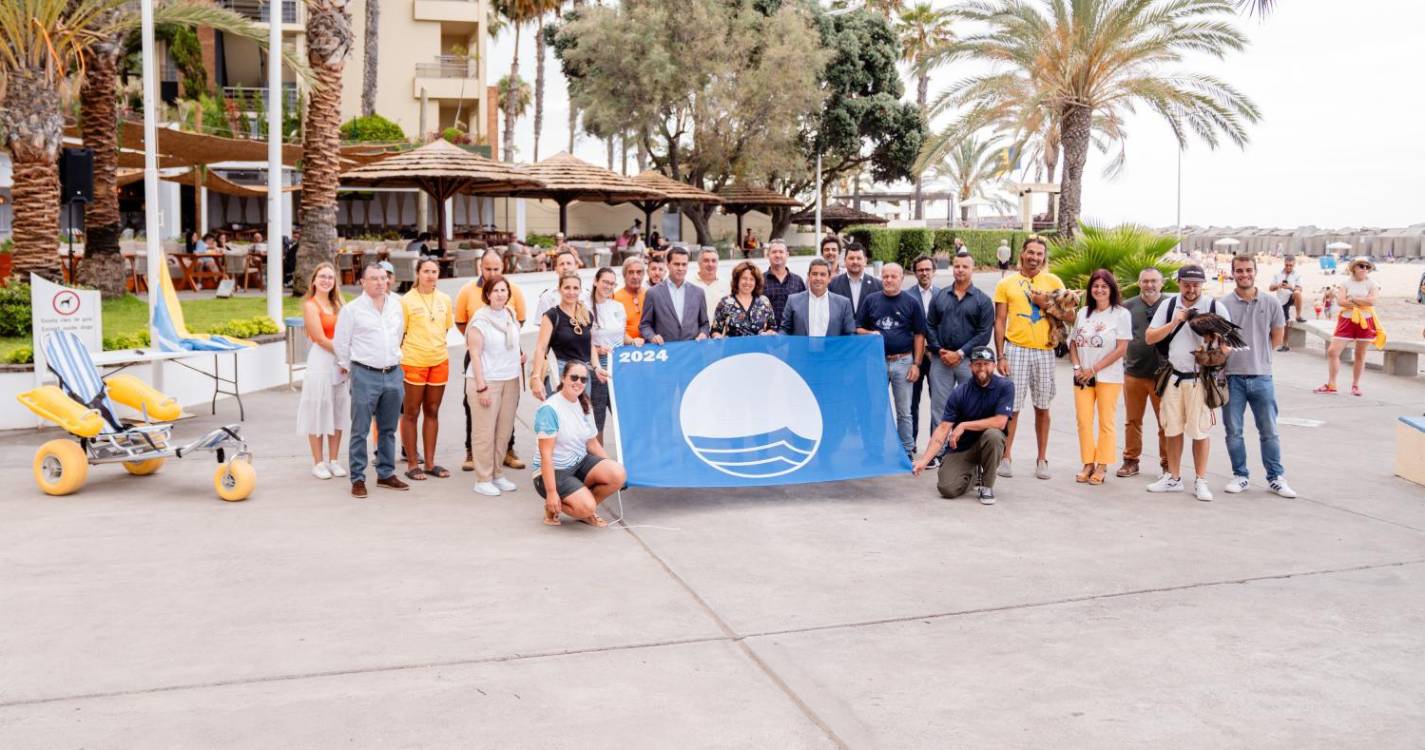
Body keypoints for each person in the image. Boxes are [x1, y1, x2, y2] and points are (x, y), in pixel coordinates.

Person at [1145, 264, 1228, 502]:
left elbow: (1228, 344)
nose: (1191, 289)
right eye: (1186, 284)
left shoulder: (1214, 306)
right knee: (1172, 429)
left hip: (1201, 379)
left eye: (1196, 284)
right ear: (1179, 283)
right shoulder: (1168, 305)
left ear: (1202, 284)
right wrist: (1174, 322)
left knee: (1200, 431)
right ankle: (1173, 477)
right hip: (1173, 377)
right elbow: (1150, 337)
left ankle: (1201, 480)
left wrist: (1214, 352)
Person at [1220, 254, 1297, 498]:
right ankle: (1240, 475)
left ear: (1256, 271)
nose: (1244, 274)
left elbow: (1277, 336)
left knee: (1269, 430)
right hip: (1232, 377)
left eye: (1248, 270)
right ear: (1233, 273)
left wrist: (1259, 356)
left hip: (1262, 376)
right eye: (1239, 270)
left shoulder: (1271, 303)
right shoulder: (1223, 305)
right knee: (1234, 432)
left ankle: (1275, 477)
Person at [992, 236, 1065, 480]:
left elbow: (1068, 314)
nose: (1034, 257)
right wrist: (1000, 355)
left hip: (1044, 350)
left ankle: (1042, 459)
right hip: (1016, 350)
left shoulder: (1053, 281)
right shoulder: (1007, 283)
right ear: (1022, 253)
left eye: (1039, 254)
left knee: (1043, 407)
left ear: (1044, 257)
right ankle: (1006, 456)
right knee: (1012, 408)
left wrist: (1046, 304)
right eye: (1030, 252)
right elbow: (1000, 321)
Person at [333, 263, 409, 498]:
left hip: (393, 373)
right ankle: (358, 478)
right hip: (365, 374)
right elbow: (341, 343)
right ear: (362, 282)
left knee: (388, 429)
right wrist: (352, 368)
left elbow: (398, 335)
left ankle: (386, 473)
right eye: (373, 278)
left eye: (383, 278)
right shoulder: (352, 310)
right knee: (360, 429)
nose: (379, 282)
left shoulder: (396, 307)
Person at [455, 249, 528, 473]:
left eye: (496, 269)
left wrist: (507, 345)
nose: (492, 272)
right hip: (478, 351)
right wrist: (481, 342)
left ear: (503, 268)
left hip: (507, 352)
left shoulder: (513, 290)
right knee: (476, 407)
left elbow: (520, 320)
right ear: (481, 267)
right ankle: (472, 452)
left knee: (507, 408)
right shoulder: (468, 290)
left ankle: (507, 450)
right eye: (488, 268)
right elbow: (460, 322)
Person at [533, 360, 629, 528]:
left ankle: (583, 505)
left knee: (618, 474)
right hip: (554, 470)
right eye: (574, 377)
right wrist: (551, 492)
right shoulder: (550, 409)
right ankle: (558, 507)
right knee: (587, 507)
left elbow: (592, 443)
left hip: (578, 462)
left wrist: (610, 465)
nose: (579, 382)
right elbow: (545, 455)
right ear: (563, 378)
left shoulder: (584, 403)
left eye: (583, 379)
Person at [912, 346, 1012, 505]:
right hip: (963, 448)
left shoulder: (1005, 386)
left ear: (993, 365)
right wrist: (924, 460)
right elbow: (943, 428)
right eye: (978, 364)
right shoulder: (960, 392)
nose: (982, 368)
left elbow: (1000, 422)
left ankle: (987, 487)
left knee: (993, 435)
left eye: (986, 363)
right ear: (970, 366)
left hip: (989, 444)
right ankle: (973, 474)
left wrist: (964, 425)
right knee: (947, 489)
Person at [926, 251, 994, 459]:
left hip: (968, 362)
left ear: (972, 269)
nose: (960, 270)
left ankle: (968, 451)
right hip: (941, 360)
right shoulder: (940, 296)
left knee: (972, 405)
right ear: (952, 268)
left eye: (965, 266)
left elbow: (984, 333)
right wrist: (939, 350)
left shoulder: (982, 300)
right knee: (940, 407)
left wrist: (960, 352)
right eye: (957, 266)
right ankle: (936, 453)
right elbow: (929, 325)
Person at [857, 263, 928, 459]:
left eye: (893, 276)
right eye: (885, 276)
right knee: (876, 408)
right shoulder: (871, 300)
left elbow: (920, 335)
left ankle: (905, 450)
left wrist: (916, 364)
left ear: (901, 279)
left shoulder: (911, 302)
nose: (888, 280)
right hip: (876, 362)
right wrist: (870, 332)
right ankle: (875, 451)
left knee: (904, 410)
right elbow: (857, 328)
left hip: (903, 361)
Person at [1067, 269, 1132, 485]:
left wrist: (1093, 369)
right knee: (1084, 421)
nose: (1100, 289)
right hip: (1082, 377)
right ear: (1090, 289)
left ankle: (1102, 464)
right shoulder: (1083, 312)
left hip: (1108, 376)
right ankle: (1088, 463)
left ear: (1111, 289)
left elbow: (1121, 348)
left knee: (1106, 421)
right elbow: (1073, 343)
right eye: (1096, 286)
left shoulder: (1121, 314)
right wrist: (1078, 368)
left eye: (1104, 286)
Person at [465, 275, 523, 497]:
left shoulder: (510, 314)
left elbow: (511, 344)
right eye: (496, 290)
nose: (501, 294)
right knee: (484, 432)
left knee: (503, 431)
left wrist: (519, 356)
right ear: (487, 294)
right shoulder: (480, 320)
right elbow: (475, 355)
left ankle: (498, 474)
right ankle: (483, 478)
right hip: (487, 381)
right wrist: (481, 387)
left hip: (511, 379)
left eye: (504, 290)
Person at [398, 257, 455, 481]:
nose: (430, 275)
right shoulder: (406, 301)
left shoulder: (444, 299)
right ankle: (413, 463)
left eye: (434, 271)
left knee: (432, 410)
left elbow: (446, 329)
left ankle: (430, 463)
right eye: (426, 271)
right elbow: (400, 333)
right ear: (418, 273)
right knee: (411, 412)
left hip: (439, 361)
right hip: (413, 361)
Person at [296, 262, 349, 480]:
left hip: (340, 363)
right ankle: (318, 462)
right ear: (315, 280)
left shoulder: (339, 304)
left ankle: (334, 460)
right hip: (321, 363)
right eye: (322, 276)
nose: (326, 280)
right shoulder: (311, 305)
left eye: (330, 277)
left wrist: (345, 359)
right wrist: (343, 354)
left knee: (337, 411)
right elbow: (319, 338)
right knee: (318, 409)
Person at [1118, 268, 1170, 479]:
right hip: (1134, 373)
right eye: (1145, 281)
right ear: (1139, 283)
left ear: (1162, 283)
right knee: (1132, 421)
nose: (1149, 285)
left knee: (1165, 422)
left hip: (1163, 374)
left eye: (1154, 281)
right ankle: (1131, 460)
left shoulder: (1170, 305)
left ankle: (1168, 463)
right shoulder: (1127, 307)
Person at [1315, 256, 1383, 397]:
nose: (1364, 269)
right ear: (1354, 268)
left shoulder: (1372, 283)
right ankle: (1332, 383)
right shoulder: (1345, 283)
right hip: (1347, 320)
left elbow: (1373, 301)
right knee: (1333, 351)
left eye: (1367, 267)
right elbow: (1341, 301)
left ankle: (1355, 385)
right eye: (1361, 266)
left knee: (1360, 354)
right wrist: (1360, 302)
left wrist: (1353, 299)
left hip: (1365, 320)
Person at [532, 272, 597, 402]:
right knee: (561, 419)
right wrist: (536, 377)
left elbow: (590, 345)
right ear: (559, 289)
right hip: (561, 373)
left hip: (583, 374)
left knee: (582, 417)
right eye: (567, 287)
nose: (571, 292)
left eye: (575, 288)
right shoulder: (551, 316)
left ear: (580, 290)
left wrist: (597, 367)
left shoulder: (587, 314)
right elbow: (540, 348)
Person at [589, 267, 630, 439]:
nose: (608, 286)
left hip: (619, 369)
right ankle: (599, 462)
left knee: (623, 417)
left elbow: (622, 335)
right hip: (597, 371)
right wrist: (597, 350)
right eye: (605, 281)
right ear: (596, 281)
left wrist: (634, 341)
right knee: (597, 420)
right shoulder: (585, 308)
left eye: (612, 283)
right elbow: (583, 340)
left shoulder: (618, 307)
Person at [640, 247, 710, 344]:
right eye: (676, 264)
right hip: (664, 351)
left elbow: (705, 324)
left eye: (684, 264)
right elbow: (645, 325)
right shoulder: (653, 293)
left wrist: (703, 333)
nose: (680, 268)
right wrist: (652, 337)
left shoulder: (698, 292)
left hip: (692, 352)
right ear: (668, 265)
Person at [908, 255, 941, 444]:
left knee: (938, 402)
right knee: (911, 402)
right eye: (920, 270)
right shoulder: (907, 295)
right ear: (915, 273)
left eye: (928, 269)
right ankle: (910, 443)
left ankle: (935, 445)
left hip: (937, 356)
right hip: (914, 357)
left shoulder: (943, 294)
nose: (924, 273)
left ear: (934, 272)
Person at [779, 258, 855, 336]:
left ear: (829, 278)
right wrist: (776, 338)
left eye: (823, 274)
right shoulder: (793, 301)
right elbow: (785, 329)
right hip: (801, 348)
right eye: (814, 274)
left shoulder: (843, 304)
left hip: (832, 348)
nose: (818, 278)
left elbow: (849, 334)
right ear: (808, 276)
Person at [713, 262, 776, 337]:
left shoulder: (764, 301)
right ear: (737, 280)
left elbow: (772, 327)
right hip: (732, 348)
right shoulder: (725, 302)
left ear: (756, 282)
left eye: (752, 279)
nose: (748, 282)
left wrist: (770, 332)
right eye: (744, 278)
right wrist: (717, 336)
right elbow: (715, 330)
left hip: (760, 348)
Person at [829, 242, 882, 318]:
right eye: (851, 258)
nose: (855, 261)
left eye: (859, 258)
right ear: (845, 260)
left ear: (865, 261)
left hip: (868, 329)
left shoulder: (878, 285)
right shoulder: (833, 284)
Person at [761, 240, 806, 328]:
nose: (777, 255)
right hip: (768, 333)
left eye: (781, 252)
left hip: (792, 333)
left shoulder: (797, 281)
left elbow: (804, 308)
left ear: (787, 255)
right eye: (774, 252)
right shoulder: (759, 280)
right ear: (768, 255)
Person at [535, 249, 582, 319]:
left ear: (576, 267)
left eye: (569, 263)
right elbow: (542, 326)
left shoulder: (587, 295)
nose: (565, 267)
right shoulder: (547, 297)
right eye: (561, 264)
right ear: (556, 269)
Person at [1269, 254, 1307, 338]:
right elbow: (1270, 288)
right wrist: (1278, 285)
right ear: (1284, 263)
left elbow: (1300, 289)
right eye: (1287, 265)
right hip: (1281, 299)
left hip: (1292, 297)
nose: (1288, 267)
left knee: (1297, 293)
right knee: (1284, 322)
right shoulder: (1277, 274)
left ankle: (1298, 315)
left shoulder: (1297, 275)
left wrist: (1290, 287)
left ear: (1294, 265)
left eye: (1291, 265)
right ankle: (1284, 345)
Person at [614, 256, 648, 344]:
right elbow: (614, 329)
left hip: (650, 346)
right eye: (631, 272)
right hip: (625, 348)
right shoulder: (615, 298)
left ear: (643, 275)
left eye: (639, 272)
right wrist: (632, 341)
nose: (635, 276)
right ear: (624, 275)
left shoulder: (650, 294)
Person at [689, 247, 729, 321]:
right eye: (706, 261)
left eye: (714, 261)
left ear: (717, 263)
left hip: (720, 331)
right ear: (699, 263)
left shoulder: (727, 285)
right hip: (697, 331)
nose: (710, 264)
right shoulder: (689, 284)